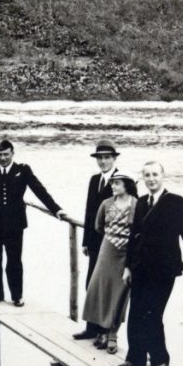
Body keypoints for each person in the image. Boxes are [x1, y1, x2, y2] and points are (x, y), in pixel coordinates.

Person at [116, 161, 183, 366]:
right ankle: (136, 358)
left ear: (163, 176)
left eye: (155, 174)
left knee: (152, 312)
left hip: (163, 269)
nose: (151, 179)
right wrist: (128, 267)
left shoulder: (175, 202)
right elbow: (134, 237)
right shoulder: (141, 202)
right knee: (135, 313)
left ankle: (159, 357)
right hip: (140, 268)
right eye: (147, 175)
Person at [0, 139, 66, 306]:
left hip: (14, 224)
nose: (2, 158)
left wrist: (56, 209)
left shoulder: (22, 170)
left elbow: (39, 190)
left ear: (12, 154)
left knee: (14, 261)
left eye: (6, 154)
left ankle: (17, 296)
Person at [81, 173, 138, 353]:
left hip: (127, 252)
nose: (113, 186)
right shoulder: (106, 204)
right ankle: (101, 331)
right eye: (112, 183)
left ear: (126, 185)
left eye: (117, 183)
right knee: (100, 287)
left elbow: (139, 229)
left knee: (120, 291)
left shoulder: (137, 204)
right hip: (108, 249)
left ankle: (113, 334)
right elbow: (98, 226)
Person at [72, 140, 122, 342]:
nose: (103, 161)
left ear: (114, 158)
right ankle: (91, 328)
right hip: (94, 243)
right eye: (100, 158)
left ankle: (104, 332)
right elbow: (89, 212)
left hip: (112, 245)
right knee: (91, 284)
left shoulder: (122, 182)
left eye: (107, 157)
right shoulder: (94, 180)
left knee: (107, 287)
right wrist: (85, 240)